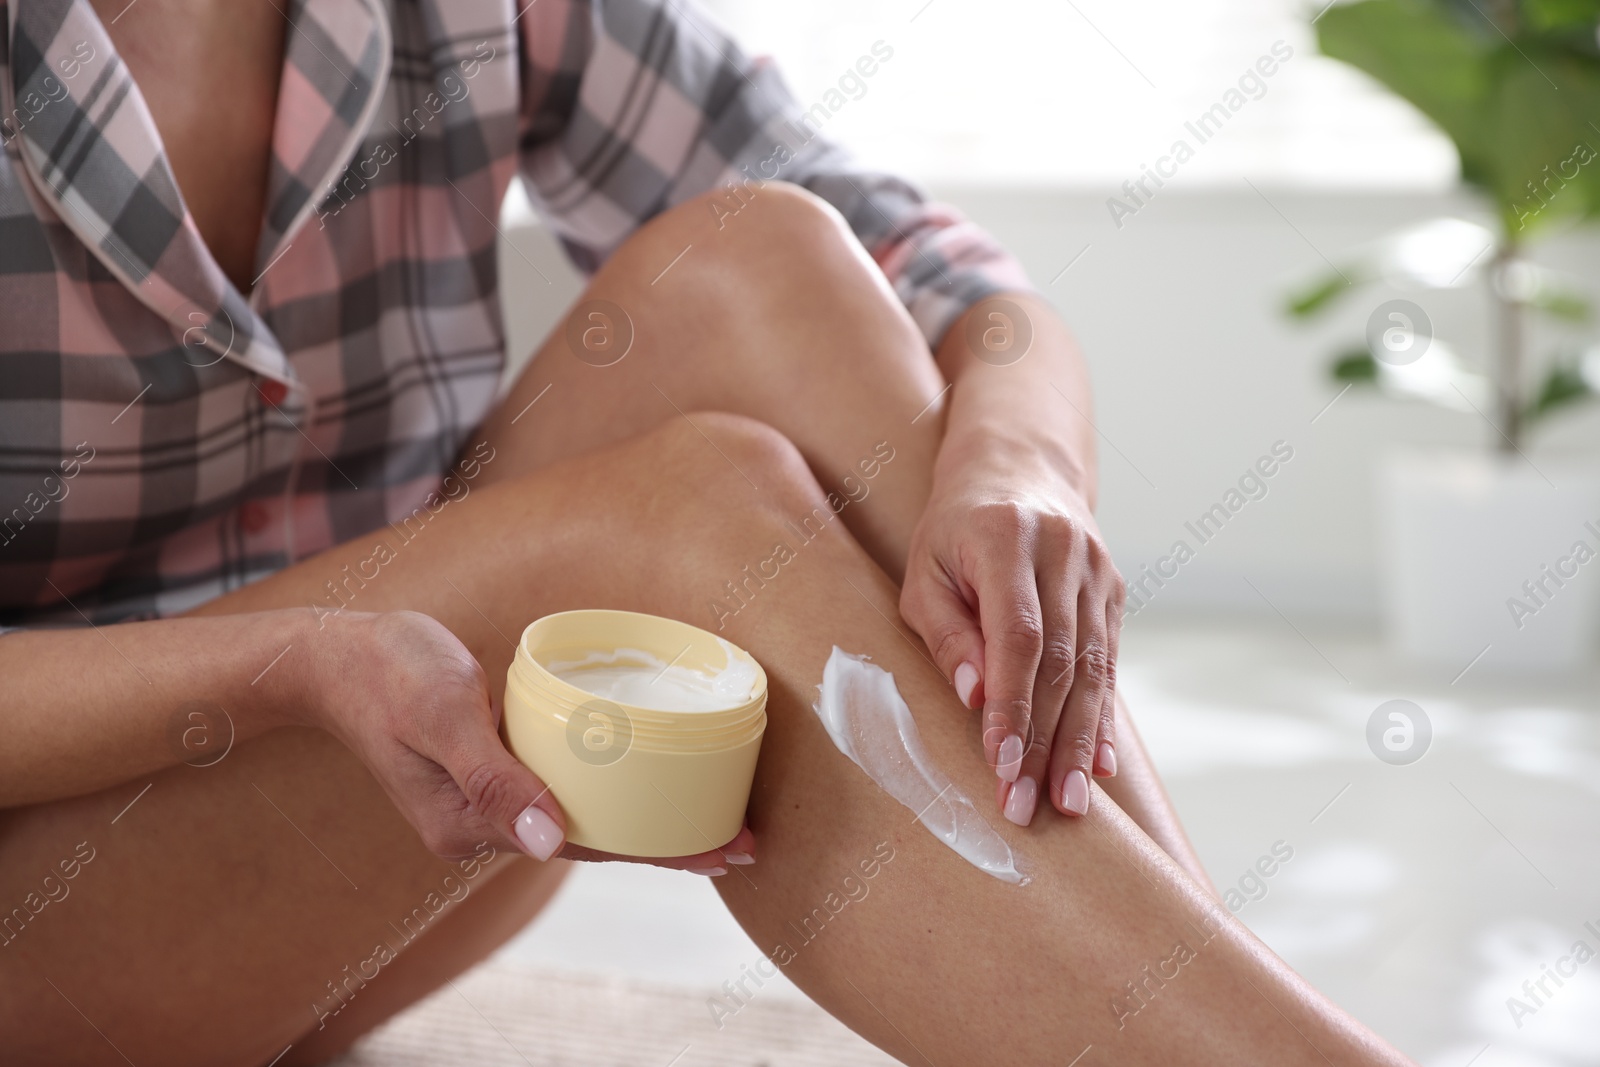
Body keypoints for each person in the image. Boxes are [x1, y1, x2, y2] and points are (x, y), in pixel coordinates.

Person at [0, 0, 1414, 1063]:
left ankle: (1180, 1003)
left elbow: (949, 280)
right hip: (48, 925)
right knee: (685, 514)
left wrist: (1024, 460)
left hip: (407, 840)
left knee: (763, 262)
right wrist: (296, 663)